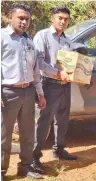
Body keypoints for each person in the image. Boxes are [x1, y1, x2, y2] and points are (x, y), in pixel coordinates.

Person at [1, 3, 46, 180]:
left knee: (28, 133)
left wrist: (40, 93)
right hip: (7, 92)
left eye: (27, 19)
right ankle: (1, 171)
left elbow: (35, 71)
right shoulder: (2, 38)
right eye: (20, 18)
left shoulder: (29, 41)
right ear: (10, 17)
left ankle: (25, 167)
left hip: (28, 92)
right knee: (3, 135)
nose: (24, 21)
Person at [32, 7, 77, 174]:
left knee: (63, 119)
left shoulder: (67, 40)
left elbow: (71, 63)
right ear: (53, 18)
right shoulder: (42, 36)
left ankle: (59, 149)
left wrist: (77, 72)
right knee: (44, 121)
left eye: (66, 19)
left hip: (65, 85)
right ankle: (34, 157)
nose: (63, 21)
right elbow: (39, 62)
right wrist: (57, 73)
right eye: (60, 18)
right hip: (49, 84)